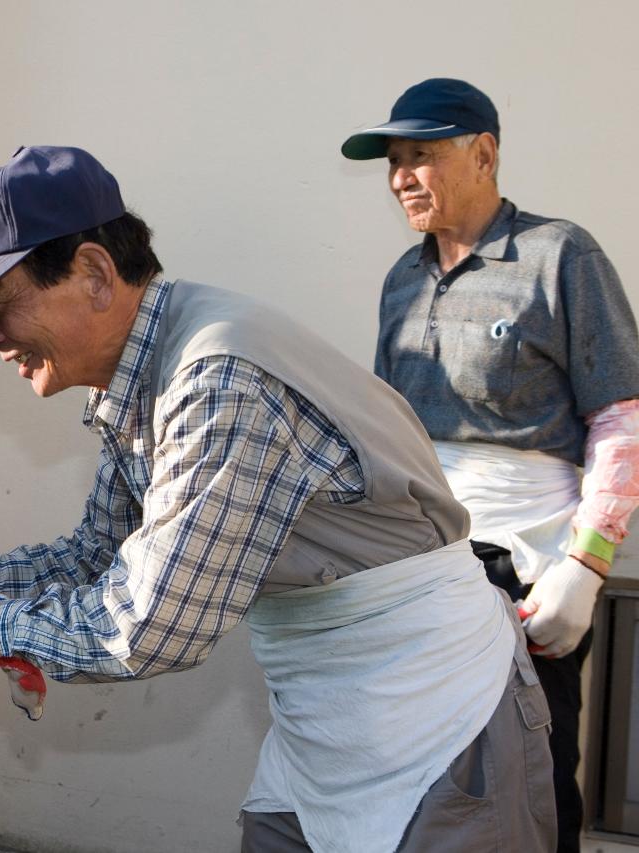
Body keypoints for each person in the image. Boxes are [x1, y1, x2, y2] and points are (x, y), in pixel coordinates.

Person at [0, 145, 556, 852]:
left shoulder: (215, 377)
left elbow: (153, 626)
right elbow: (102, 553)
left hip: (439, 721)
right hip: (328, 719)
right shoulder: (144, 368)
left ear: (95, 272)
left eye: (0, 303)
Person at [341, 77, 639, 852]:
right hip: (419, 569)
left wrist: (587, 564)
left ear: (484, 154)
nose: (402, 176)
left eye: (422, 156)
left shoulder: (559, 254)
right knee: (423, 784)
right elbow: (390, 432)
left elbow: (622, 418)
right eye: (394, 161)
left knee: (531, 787)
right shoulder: (402, 280)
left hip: (527, 576)